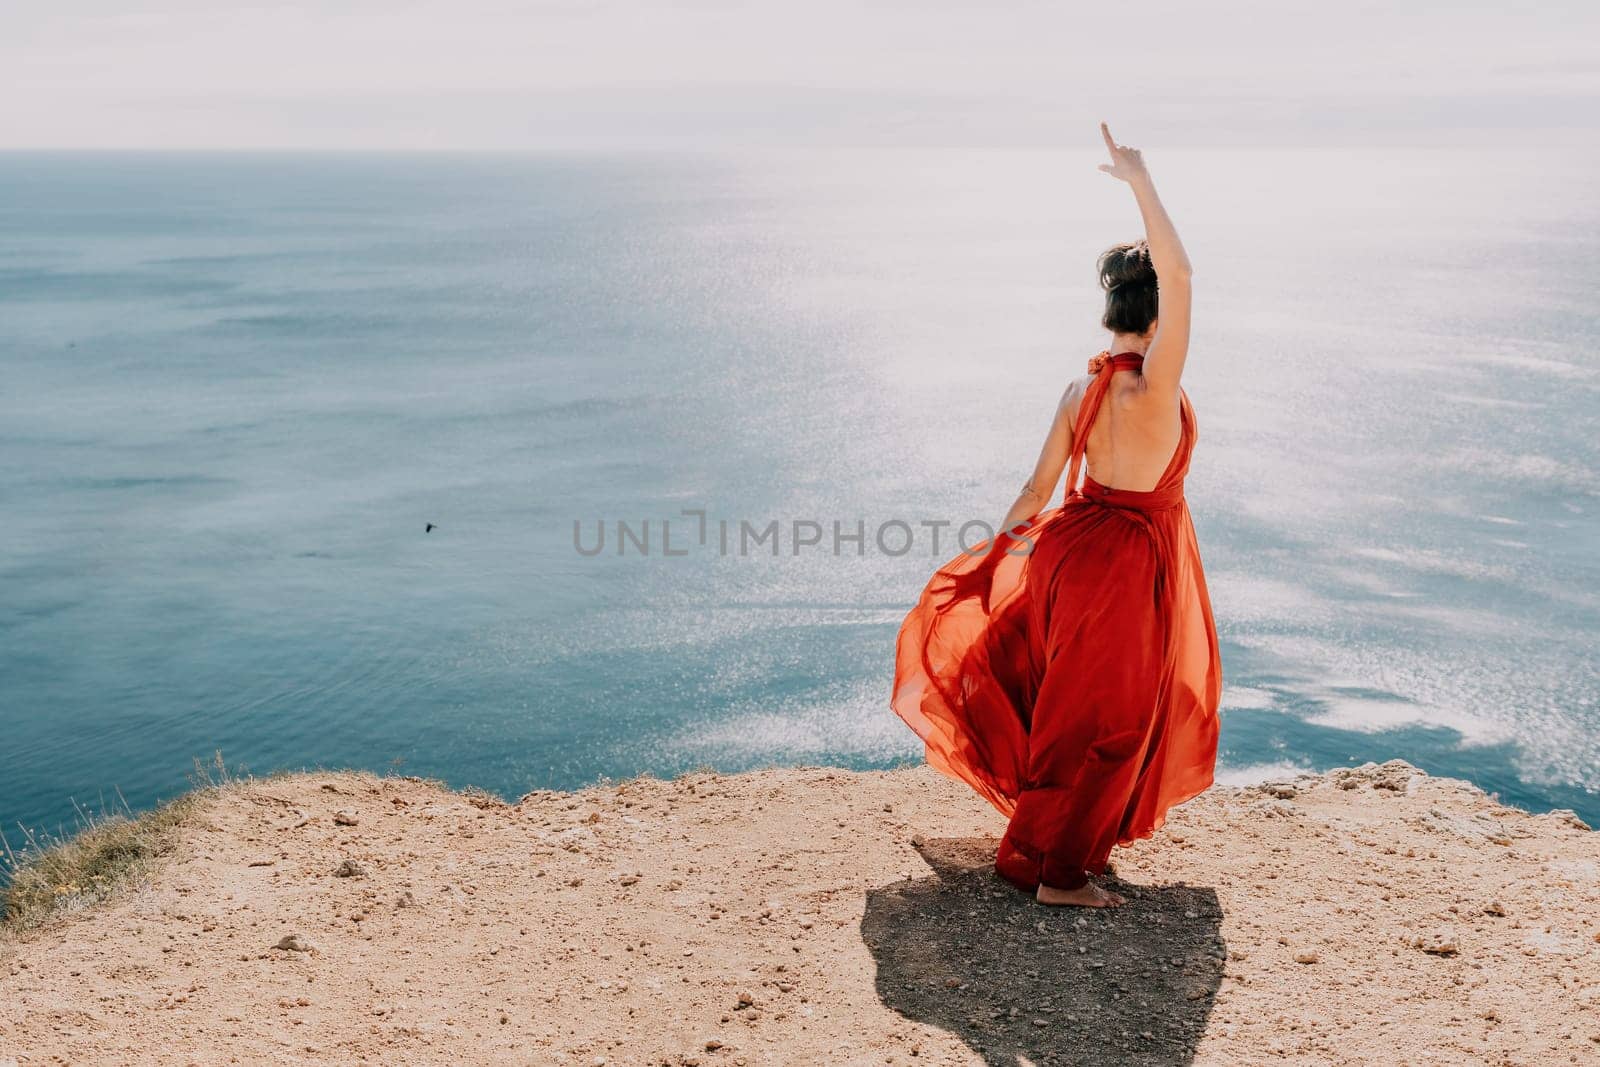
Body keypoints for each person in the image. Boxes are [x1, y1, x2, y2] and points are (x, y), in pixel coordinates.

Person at [891, 123, 1222, 907]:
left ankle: (1059, 849)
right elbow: (1182, 269)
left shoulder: (1084, 390)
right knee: (1114, 717)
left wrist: (990, 559)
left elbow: (1036, 490)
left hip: (1068, 546)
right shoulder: (1153, 387)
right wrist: (1141, 180)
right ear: (1158, 312)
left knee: (1069, 704)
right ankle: (1058, 873)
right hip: (1128, 562)